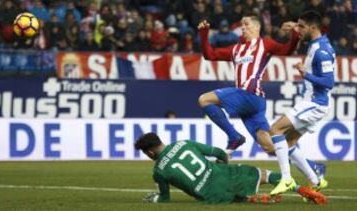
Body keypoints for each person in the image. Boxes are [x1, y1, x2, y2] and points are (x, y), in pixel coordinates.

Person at [197, 13, 302, 192]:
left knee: (204, 99)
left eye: (246, 25)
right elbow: (209, 55)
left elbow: (287, 50)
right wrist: (204, 34)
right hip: (253, 104)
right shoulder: (235, 49)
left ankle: (234, 137)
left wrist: (295, 34)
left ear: (256, 27)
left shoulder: (265, 43)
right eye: (242, 25)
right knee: (269, 147)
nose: (243, 28)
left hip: (250, 94)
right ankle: (312, 167)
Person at [135, 132, 327, 204]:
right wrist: (223, 165)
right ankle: (305, 191)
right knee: (264, 174)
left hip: (209, 196)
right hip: (221, 175)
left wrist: (153, 199)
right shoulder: (183, 143)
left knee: (236, 197)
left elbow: (165, 199)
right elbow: (219, 153)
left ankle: (251, 199)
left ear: (150, 152)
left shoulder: (158, 171)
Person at [269, 11, 335, 195]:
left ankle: (286, 179)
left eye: (301, 26)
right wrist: (293, 26)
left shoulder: (321, 51)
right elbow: (301, 30)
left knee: (275, 130)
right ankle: (316, 180)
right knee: (289, 142)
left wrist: (306, 74)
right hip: (313, 102)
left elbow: (329, 83)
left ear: (313, 27)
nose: (298, 30)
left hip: (315, 103)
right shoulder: (315, 43)